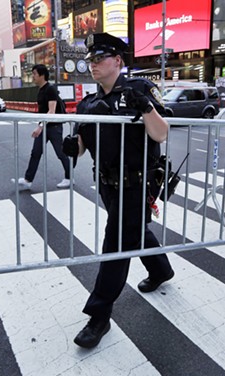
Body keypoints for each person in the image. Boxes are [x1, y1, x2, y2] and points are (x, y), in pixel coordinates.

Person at [62, 33, 175, 349]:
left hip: (139, 184)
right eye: (91, 60)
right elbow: (82, 145)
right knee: (134, 233)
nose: (93, 64)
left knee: (115, 245)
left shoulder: (139, 90)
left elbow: (161, 133)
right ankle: (161, 269)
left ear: (118, 61)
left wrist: (146, 109)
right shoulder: (88, 103)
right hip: (108, 185)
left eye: (99, 58)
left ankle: (99, 315)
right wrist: (74, 146)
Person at [13, 64, 72, 190]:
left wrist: (40, 127)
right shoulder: (41, 90)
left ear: (42, 75)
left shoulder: (50, 89)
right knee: (36, 152)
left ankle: (69, 177)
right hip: (44, 126)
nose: (33, 76)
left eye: (34, 74)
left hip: (54, 127)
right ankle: (28, 180)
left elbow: (51, 111)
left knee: (61, 153)